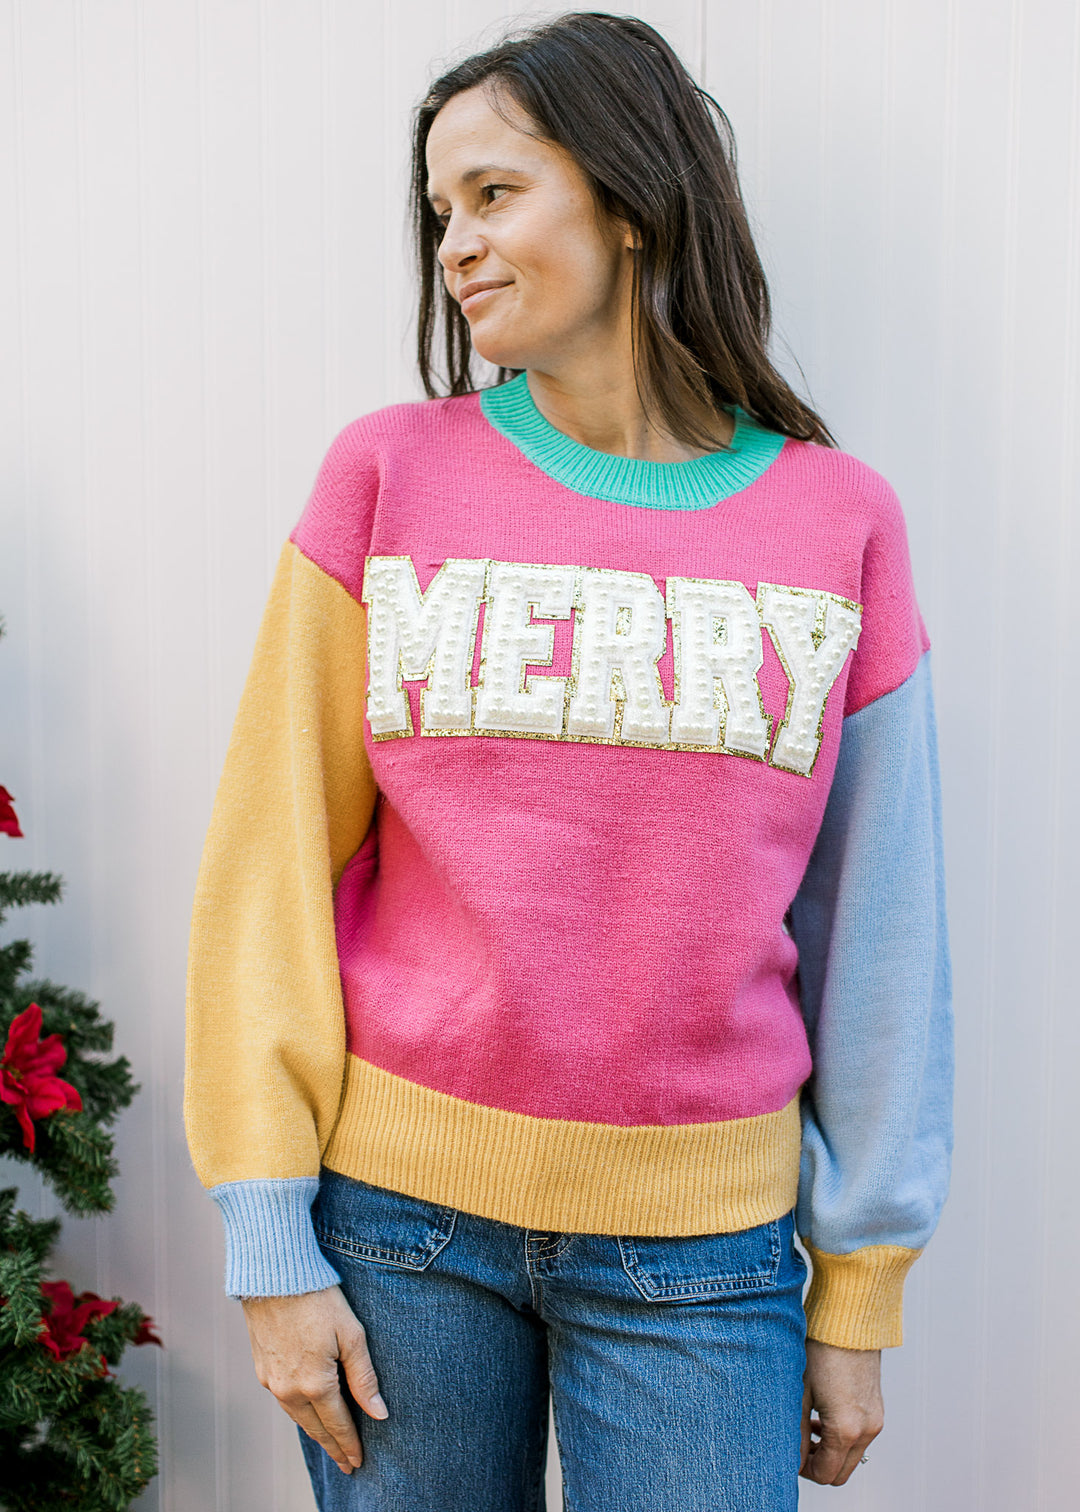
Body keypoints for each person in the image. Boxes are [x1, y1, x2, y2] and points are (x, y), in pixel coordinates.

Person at [184, 12, 952, 1511]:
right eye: (440, 213)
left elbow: (882, 932)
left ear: (627, 193)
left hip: (705, 1258)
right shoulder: (389, 476)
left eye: (492, 193)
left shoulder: (838, 522)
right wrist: (269, 1245)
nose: (456, 245)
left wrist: (859, 1291)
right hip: (400, 1234)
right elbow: (268, 863)